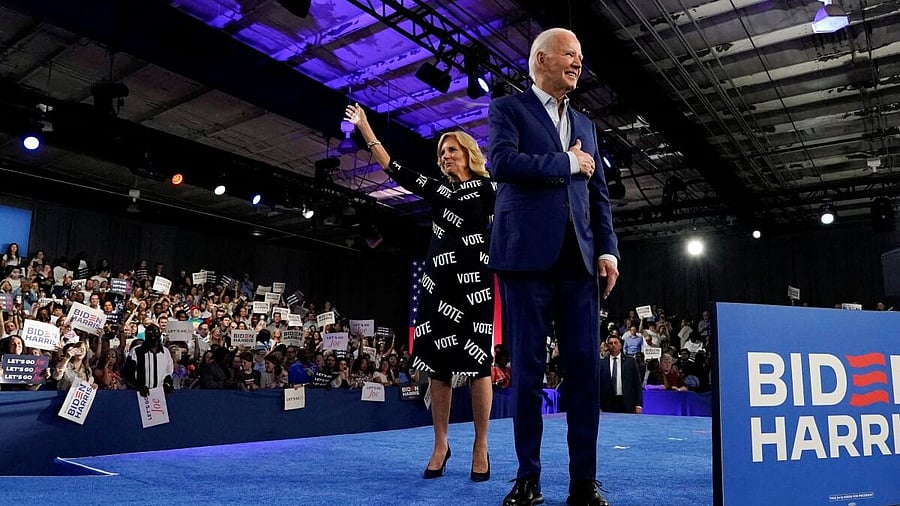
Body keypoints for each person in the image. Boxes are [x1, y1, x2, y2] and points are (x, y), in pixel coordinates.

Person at [488, 27, 619, 506]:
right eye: (570, 54)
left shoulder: (586, 124)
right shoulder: (508, 109)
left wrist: (608, 250)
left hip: (580, 264)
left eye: (581, 56)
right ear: (541, 59)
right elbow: (501, 163)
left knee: (585, 373)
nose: (579, 63)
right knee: (526, 372)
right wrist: (565, 162)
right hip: (525, 259)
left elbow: (599, 195)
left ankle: (583, 481)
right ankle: (528, 478)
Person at [345, 103, 495, 482]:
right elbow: (392, 167)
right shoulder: (438, 187)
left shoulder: (490, 188)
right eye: (441, 152)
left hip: (475, 286)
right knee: (438, 368)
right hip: (437, 286)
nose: (444, 156)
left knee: (478, 368)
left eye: (452, 150)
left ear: (468, 153)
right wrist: (365, 127)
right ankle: (441, 444)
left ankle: (481, 445)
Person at [124, 324, 174, 395]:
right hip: (139, 393)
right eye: (150, 333)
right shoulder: (136, 350)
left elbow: (168, 371)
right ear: (145, 335)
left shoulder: (165, 352)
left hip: (160, 394)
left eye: (155, 333)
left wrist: (167, 384)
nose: (153, 336)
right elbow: (128, 373)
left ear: (160, 335)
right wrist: (139, 386)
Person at [598, 335, 642, 414]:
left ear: (620, 345)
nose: (613, 345)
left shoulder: (630, 362)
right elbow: (599, 386)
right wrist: (598, 406)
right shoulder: (602, 363)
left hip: (627, 403)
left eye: (615, 342)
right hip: (607, 404)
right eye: (611, 343)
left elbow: (637, 384)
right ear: (608, 346)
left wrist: (639, 405)